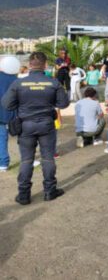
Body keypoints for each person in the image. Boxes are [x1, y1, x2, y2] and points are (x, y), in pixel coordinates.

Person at [1, 52, 69, 205]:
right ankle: (49, 191)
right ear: (45, 65)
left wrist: (20, 106)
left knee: (26, 160)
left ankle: (24, 195)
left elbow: (6, 104)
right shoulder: (53, 82)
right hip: (46, 124)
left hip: (26, 125)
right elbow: (63, 104)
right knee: (47, 158)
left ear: (30, 65)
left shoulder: (18, 83)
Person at [0, 56, 20, 172]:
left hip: (0, 113)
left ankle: (3, 163)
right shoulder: (15, 79)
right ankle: (28, 159)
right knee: (23, 136)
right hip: (15, 112)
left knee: (1, 137)